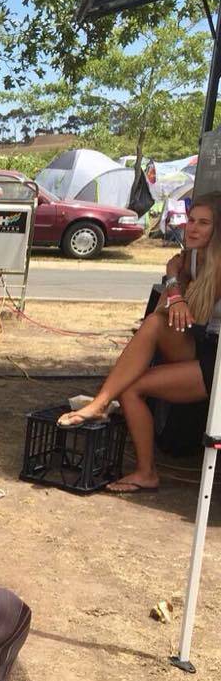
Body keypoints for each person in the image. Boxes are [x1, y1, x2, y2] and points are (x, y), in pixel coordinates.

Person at [58, 194, 221, 493]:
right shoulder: (194, 255)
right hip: (204, 344)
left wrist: (173, 282)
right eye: (191, 220)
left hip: (218, 362)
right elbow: (168, 307)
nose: (192, 228)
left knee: (139, 373)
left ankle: (102, 403)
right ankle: (144, 469)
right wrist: (176, 279)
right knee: (150, 337)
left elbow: (184, 308)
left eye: (204, 223)